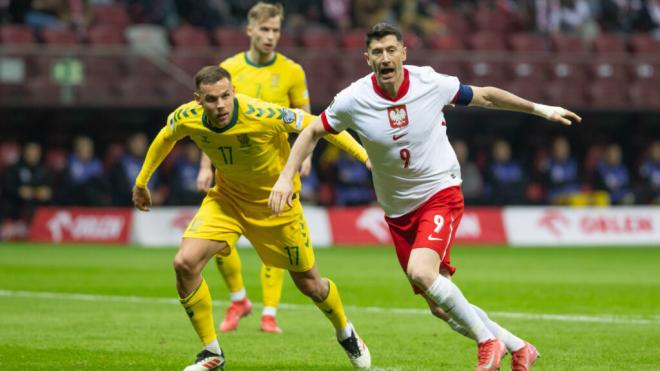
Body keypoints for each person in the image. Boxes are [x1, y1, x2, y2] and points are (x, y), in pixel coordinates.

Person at [270, 23, 581, 371]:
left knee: (421, 271)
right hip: (398, 211)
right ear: (367, 58)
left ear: (404, 52)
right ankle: (520, 347)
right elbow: (312, 129)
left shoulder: (430, 83)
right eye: (377, 52)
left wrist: (541, 109)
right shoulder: (353, 99)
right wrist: (286, 176)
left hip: (440, 190)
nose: (385, 58)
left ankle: (488, 342)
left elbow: (487, 96)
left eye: (391, 50)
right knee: (439, 304)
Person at [132, 65, 371, 370]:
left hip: (276, 206)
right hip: (227, 201)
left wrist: (364, 158)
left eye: (225, 96)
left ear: (233, 92)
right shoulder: (186, 117)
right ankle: (211, 352)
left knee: (311, 285)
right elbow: (166, 137)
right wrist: (142, 182)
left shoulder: (263, 114)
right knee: (184, 263)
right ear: (197, 100)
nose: (220, 105)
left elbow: (319, 125)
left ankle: (345, 331)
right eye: (211, 99)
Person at [195, 2, 314, 334]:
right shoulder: (229, 69)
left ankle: (269, 313)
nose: (271, 36)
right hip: (232, 169)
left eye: (276, 30)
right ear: (249, 30)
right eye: (264, 29)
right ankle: (239, 300)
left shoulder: (293, 71)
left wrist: (306, 158)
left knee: (274, 245)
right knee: (218, 240)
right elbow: (210, 125)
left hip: (275, 170)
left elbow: (308, 121)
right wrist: (206, 166)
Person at [1, 142, 53, 221]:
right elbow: (6, 187)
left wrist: (48, 192)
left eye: (35, 152)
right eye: (30, 152)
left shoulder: (45, 171)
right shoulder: (13, 169)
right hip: (16, 207)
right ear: (24, 152)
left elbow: (52, 189)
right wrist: (18, 191)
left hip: (38, 208)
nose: (32, 155)